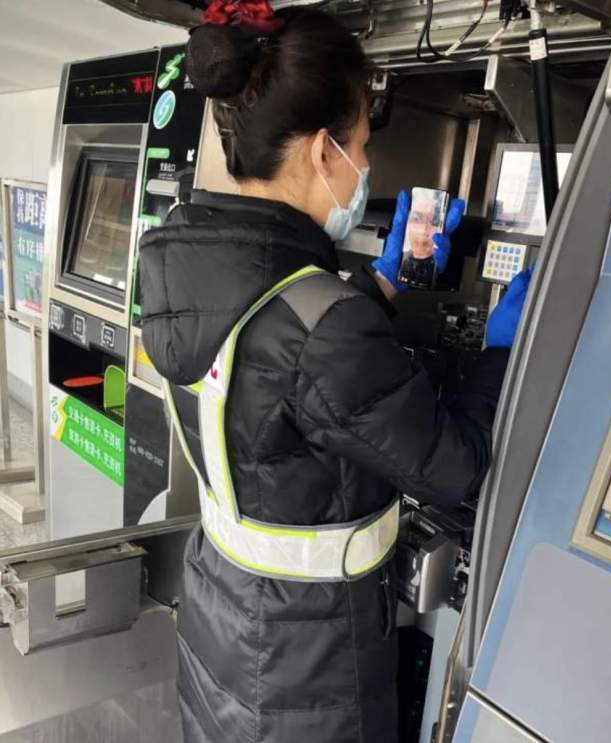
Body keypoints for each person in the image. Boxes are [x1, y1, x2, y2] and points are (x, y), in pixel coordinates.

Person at [138, 4, 532, 743]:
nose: (364, 164)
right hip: (306, 665)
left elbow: (271, 359)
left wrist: (382, 284)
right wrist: (505, 350)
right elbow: (458, 467)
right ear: (324, 151)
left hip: (222, 612)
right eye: (361, 144)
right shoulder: (323, 325)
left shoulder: (176, 255)